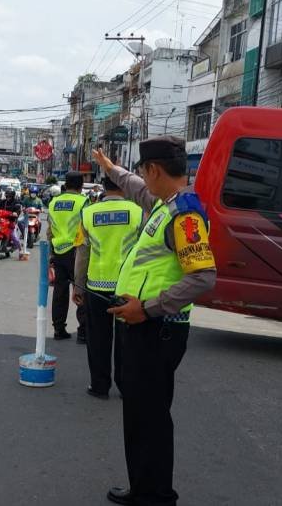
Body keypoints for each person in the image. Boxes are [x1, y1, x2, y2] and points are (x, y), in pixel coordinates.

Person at [92, 137, 217, 506]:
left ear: (155, 170)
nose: (141, 180)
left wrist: (146, 309)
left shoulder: (185, 216)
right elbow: (135, 189)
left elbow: (203, 277)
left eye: (144, 173)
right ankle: (146, 488)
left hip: (154, 328)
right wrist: (110, 168)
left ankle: (156, 495)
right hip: (145, 327)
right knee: (142, 412)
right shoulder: (165, 205)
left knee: (149, 416)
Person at [73, 176, 143, 399]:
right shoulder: (139, 212)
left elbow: (82, 253)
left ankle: (100, 386)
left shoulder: (88, 213)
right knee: (127, 339)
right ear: (124, 186)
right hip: (128, 288)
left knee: (98, 339)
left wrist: (79, 286)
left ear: (103, 187)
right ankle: (125, 385)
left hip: (96, 285)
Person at [47, 171, 88, 342]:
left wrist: (51, 253)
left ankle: (58, 329)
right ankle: (83, 331)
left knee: (60, 291)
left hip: (58, 251)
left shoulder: (54, 203)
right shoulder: (83, 202)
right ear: (81, 185)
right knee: (81, 289)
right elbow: (87, 228)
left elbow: (49, 231)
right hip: (77, 251)